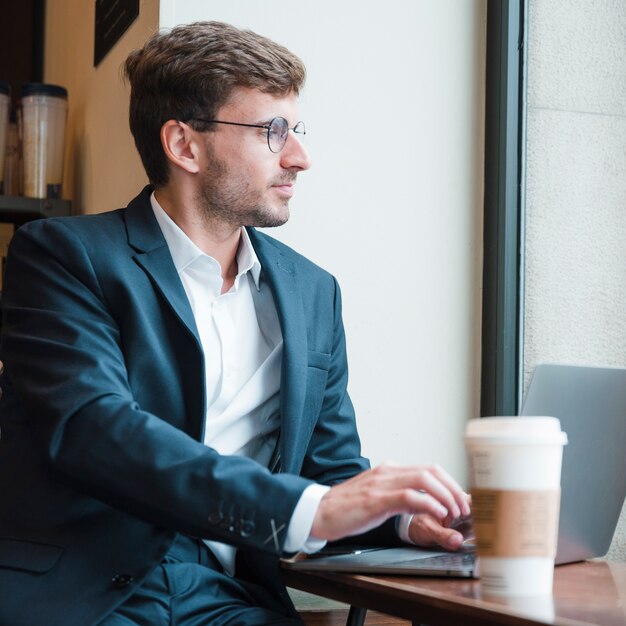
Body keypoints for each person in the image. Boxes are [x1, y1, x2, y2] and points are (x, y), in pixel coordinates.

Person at [0, 21, 471, 626]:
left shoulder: (313, 294)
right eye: (273, 131)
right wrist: (307, 510)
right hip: (84, 593)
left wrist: (406, 518)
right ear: (184, 146)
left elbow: (331, 472)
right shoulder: (62, 255)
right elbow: (96, 429)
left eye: (296, 130)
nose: (300, 157)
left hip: (228, 599)